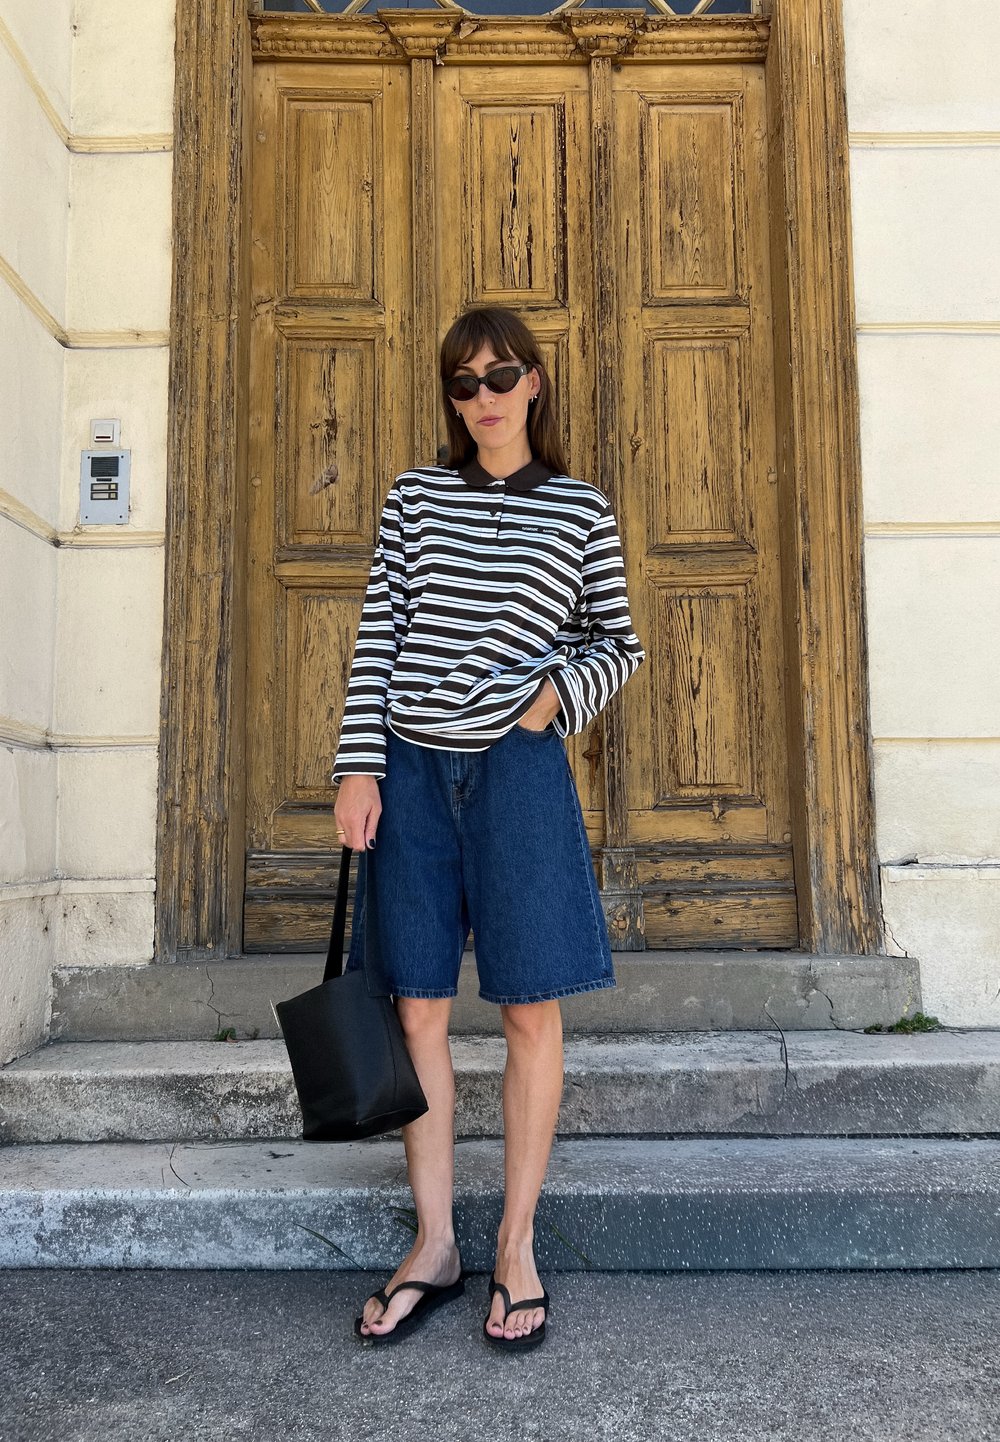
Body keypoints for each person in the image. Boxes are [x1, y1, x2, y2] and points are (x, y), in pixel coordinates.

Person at [331, 304, 645, 1350]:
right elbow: (381, 625)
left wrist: (553, 695)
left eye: (500, 377)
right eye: (461, 384)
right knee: (417, 1009)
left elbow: (618, 640)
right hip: (412, 774)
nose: (482, 400)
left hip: (515, 773)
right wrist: (358, 765)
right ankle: (433, 1243)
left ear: (535, 383)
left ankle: (514, 1242)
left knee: (526, 1010)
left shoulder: (579, 509)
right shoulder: (415, 497)